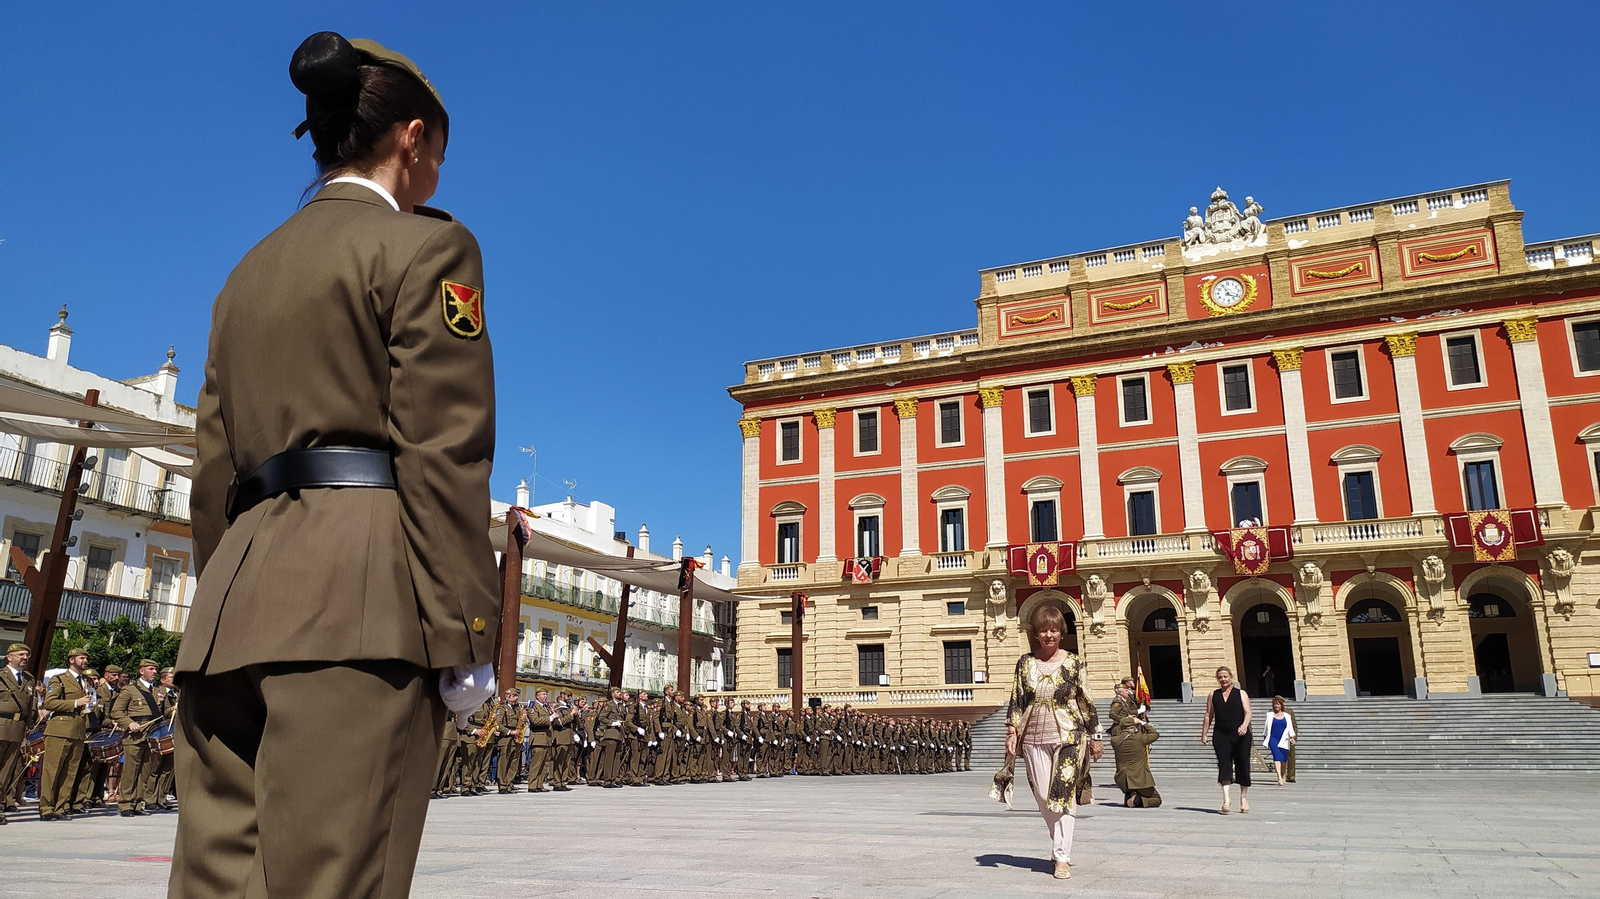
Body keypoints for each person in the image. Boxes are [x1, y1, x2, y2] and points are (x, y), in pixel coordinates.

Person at [172, 31, 499, 898]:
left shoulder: (246, 276)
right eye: (439, 151)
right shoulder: (428, 250)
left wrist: (228, 600)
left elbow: (215, 473)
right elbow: (443, 451)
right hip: (361, 610)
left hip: (233, 613)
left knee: (217, 882)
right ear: (413, 138)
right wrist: (467, 632)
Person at [1003, 606, 1102, 881]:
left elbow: (1086, 701)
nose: (1049, 635)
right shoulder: (1025, 663)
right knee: (1045, 798)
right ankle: (1059, 843)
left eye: (1055, 630)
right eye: (1044, 630)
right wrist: (1012, 732)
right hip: (1033, 736)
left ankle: (1062, 857)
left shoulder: (1074, 663)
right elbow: (1017, 699)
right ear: (1036, 634)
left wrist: (1096, 736)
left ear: (1062, 633)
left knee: (1064, 795)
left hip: (1070, 736)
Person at [40, 647, 95, 820]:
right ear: (71, 660)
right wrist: (75, 703)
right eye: (81, 658)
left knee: (70, 772)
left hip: (78, 730)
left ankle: (61, 807)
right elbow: (49, 702)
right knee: (53, 771)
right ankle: (46, 808)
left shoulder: (87, 681)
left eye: (86, 658)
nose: (85, 661)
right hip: (60, 729)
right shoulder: (60, 680)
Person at [110, 659, 163, 817]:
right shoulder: (130, 690)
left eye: (155, 669)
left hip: (151, 735)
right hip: (134, 736)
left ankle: (138, 803)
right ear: (142, 671)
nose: (154, 672)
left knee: (145, 772)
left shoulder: (156, 691)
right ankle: (126, 804)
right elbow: (116, 712)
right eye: (151, 669)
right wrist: (129, 723)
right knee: (131, 771)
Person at [1200, 666, 1253, 814]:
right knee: (1224, 764)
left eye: (1225, 677)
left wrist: (1244, 725)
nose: (1223, 680)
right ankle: (1226, 799)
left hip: (1241, 735)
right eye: (1220, 677)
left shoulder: (1241, 693)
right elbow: (1208, 715)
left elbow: (1248, 712)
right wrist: (1204, 734)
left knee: (1243, 763)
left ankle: (1243, 798)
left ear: (1231, 677)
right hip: (1221, 735)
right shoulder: (1213, 695)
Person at [1108, 676, 1161, 808]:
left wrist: (1137, 712)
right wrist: (1132, 720)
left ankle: (1131, 794)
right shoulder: (1117, 701)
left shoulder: (1126, 700)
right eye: (1125, 690)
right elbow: (1113, 715)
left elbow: (1131, 710)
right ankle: (1138, 799)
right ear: (1120, 691)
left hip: (1127, 731)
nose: (1128, 692)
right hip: (1121, 729)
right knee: (1156, 799)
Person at [0, 642, 37, 826]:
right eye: (21, 655)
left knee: (7, 772)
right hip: (0, 724)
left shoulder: (29, 679)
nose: (25, 658)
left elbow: (30, 706)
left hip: (18, 728)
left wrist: (29, 726)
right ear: (10, 657)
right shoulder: (1, 676)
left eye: (26, 655)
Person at [1262, 695, 1297, 785]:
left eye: (1278, 704)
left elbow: (1290, 727)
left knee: (1283, 758)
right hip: (1273, 739)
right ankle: (1279, 777)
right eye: (1275, 704)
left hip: (1284, 739)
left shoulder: (1287, 715)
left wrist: (1292, 737)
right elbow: (1266, 728)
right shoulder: (1269, 715)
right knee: (1277, 757)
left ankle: (1283, 775)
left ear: (1281, 705)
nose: (1276, 706)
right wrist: (1265, 738)